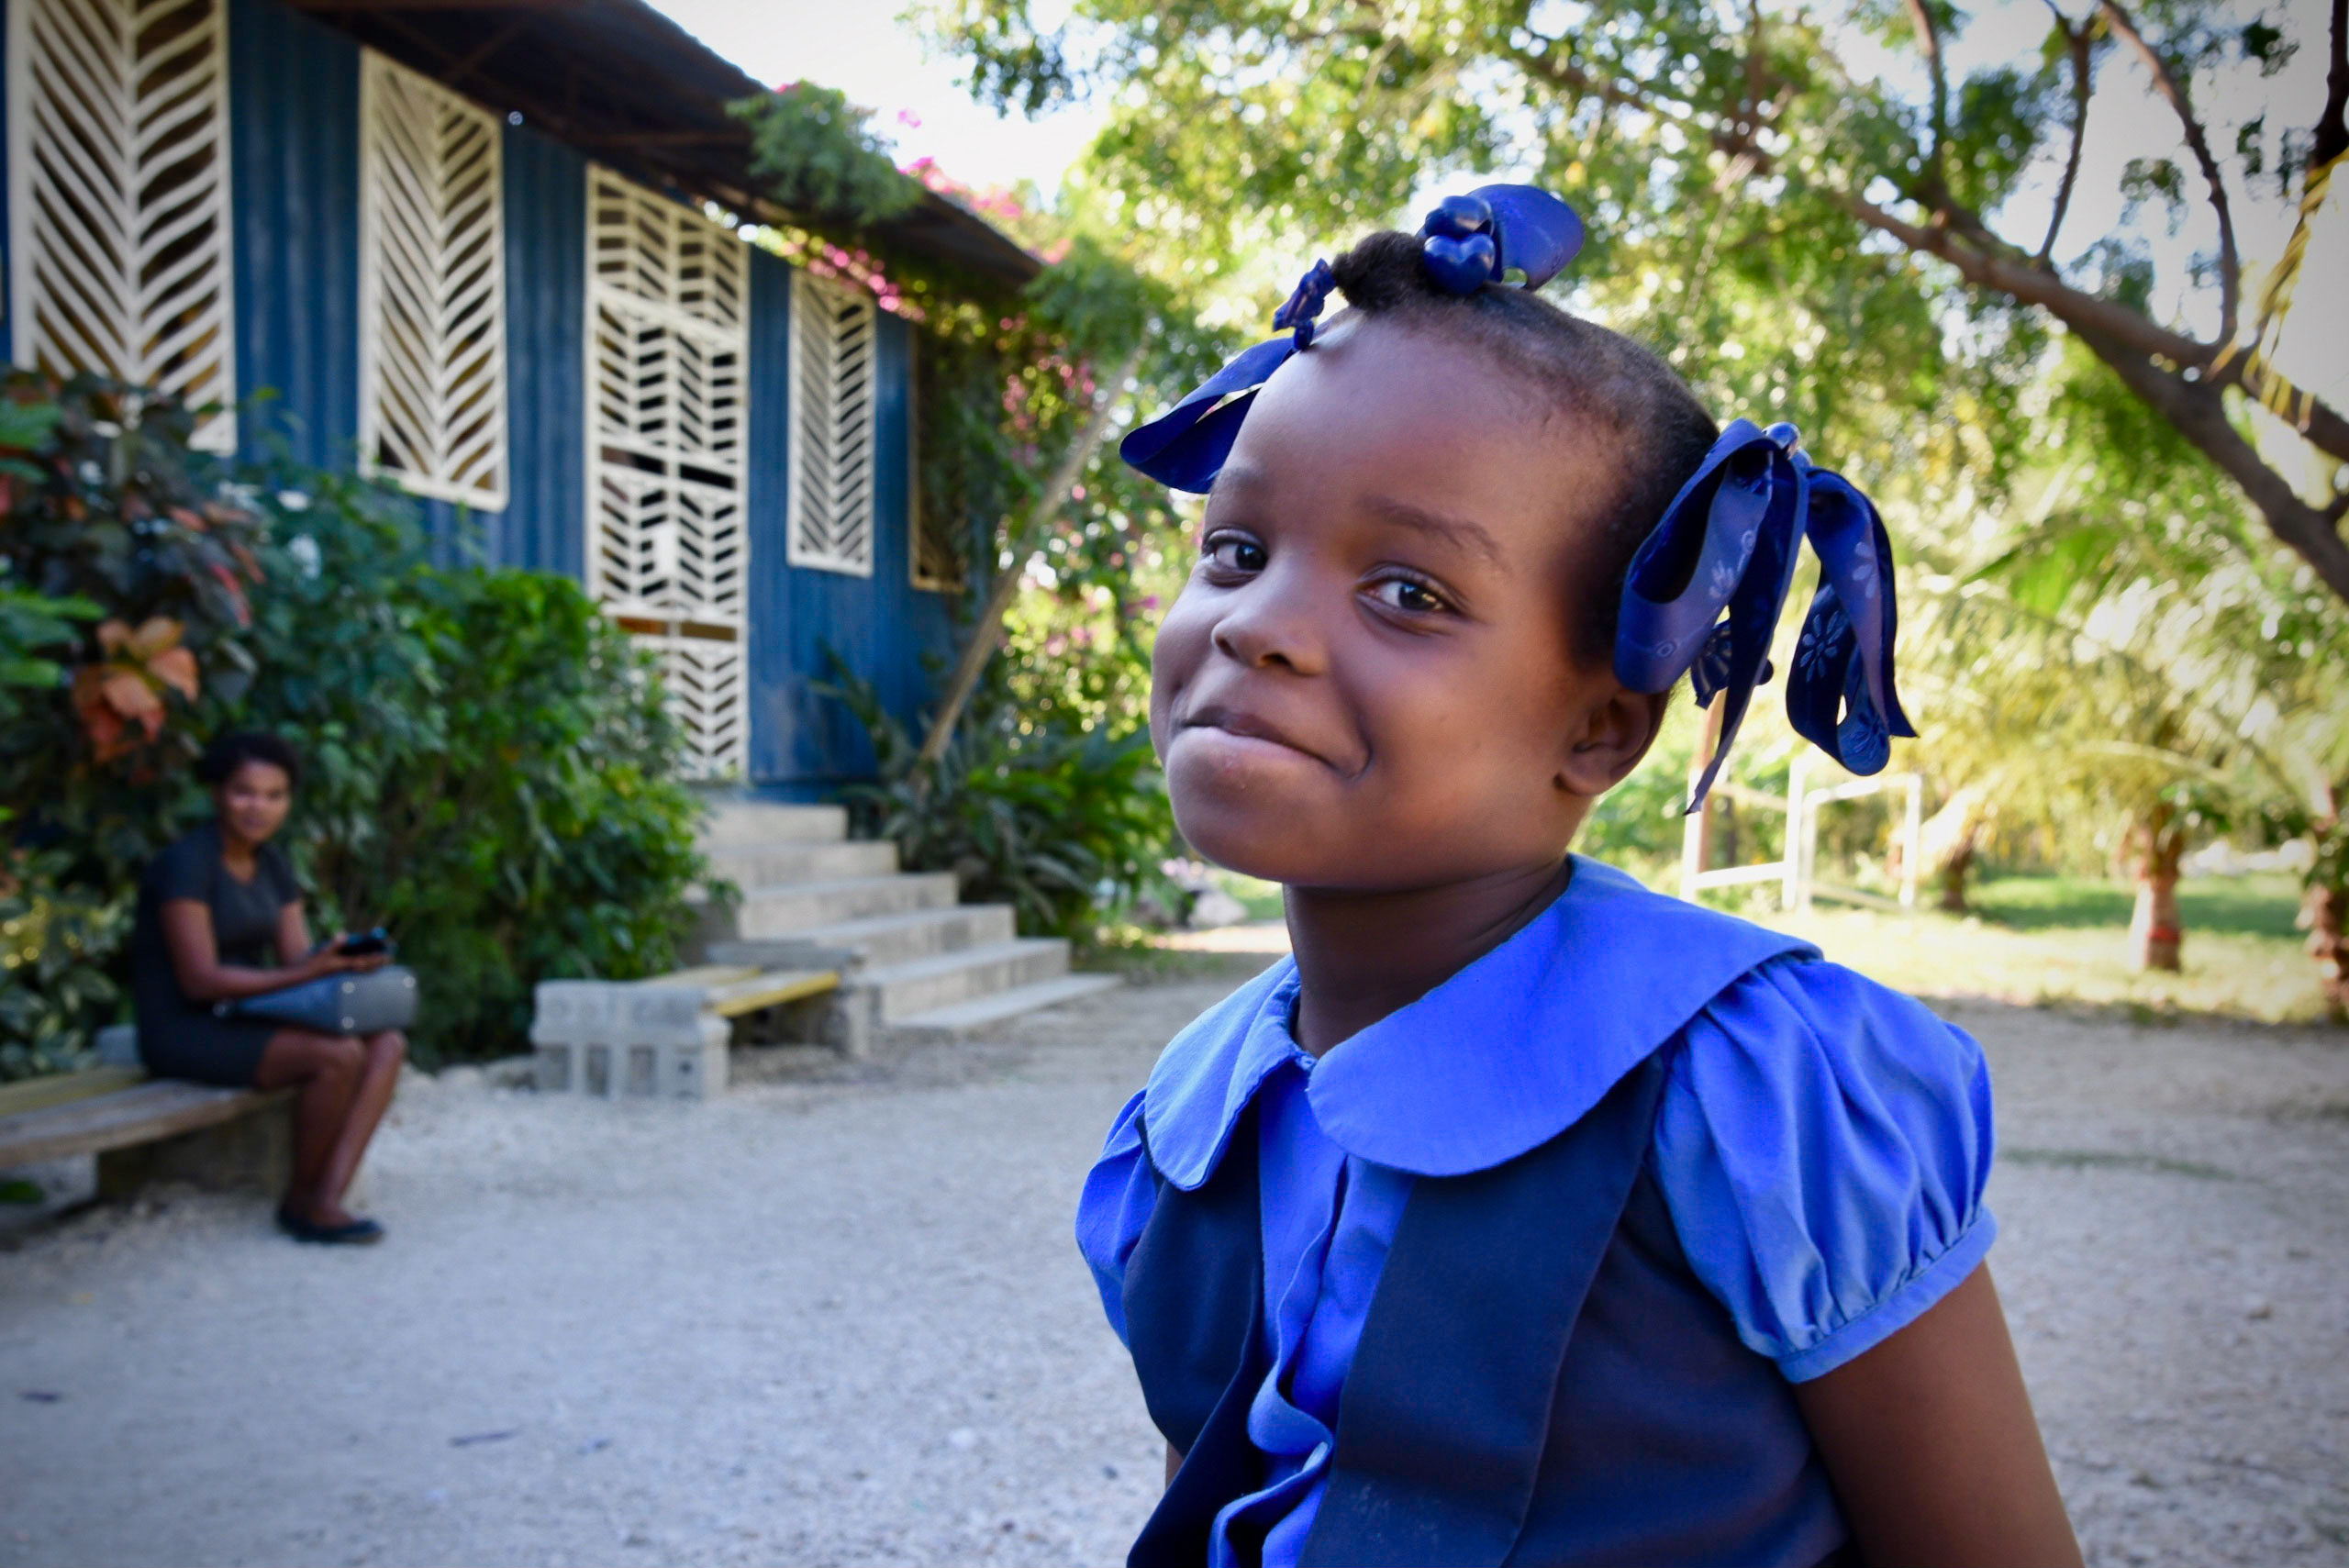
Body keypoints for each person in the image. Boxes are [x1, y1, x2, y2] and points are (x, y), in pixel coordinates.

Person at [1078, 188, 2082, 1566]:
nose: (1258, 626)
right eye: (1237, 552)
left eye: (1409, 592)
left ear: (1601, 726)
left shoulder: (1758, 1096)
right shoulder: (1193, 1124)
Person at [130, 731, 405, 1245]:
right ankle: (301, 1202)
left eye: (275, 795)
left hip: (244, 1014)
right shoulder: (185, 865)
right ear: (217, 794)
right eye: (245, 793)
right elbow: (200, 979)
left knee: (387, 1042)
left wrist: (341, 961)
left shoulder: (272, 865)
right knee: (337, 1056)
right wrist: (309, 972)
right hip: (184, 1028)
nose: (260, 807)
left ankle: (328, 1195)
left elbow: (295, 960)